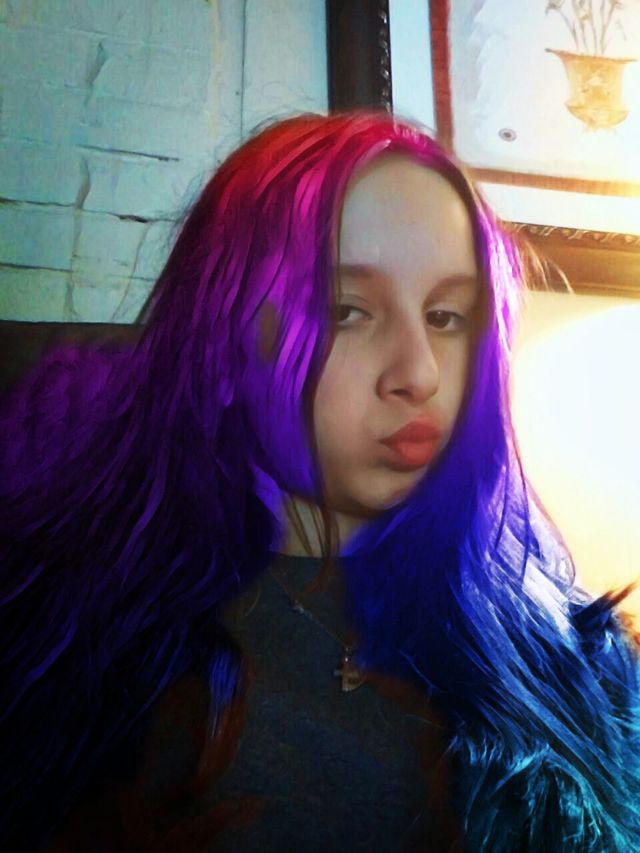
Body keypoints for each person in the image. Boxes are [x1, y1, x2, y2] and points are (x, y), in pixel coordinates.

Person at [1, 111, 639, 852]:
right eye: (347, 311)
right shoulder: (66, 637)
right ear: (223, 344)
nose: (419, 373)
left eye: (445, 316)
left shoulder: (563, 640)